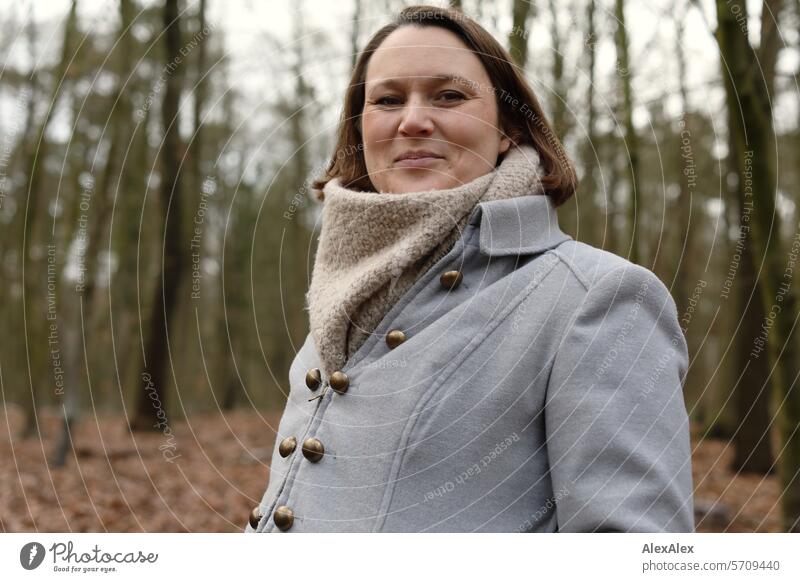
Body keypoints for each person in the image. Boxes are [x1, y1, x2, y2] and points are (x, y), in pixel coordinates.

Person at [246, 4, 693, 533]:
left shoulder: (597, 298)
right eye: (387, 100)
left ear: (508, 128)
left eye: (449, 96)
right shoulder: (346, 290)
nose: (412, 120)